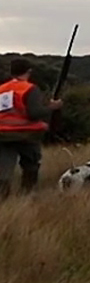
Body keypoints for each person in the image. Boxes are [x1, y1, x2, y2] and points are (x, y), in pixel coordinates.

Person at [0, 58, 59, 199]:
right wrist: (52, 107)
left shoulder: (2, 89)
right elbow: (34, 114)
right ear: (29, 71)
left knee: (4, 170)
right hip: (26, 135)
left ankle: (3, 201)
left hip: (3, 134)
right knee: (30, 166)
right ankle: (26, 196)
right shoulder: (30, 88)